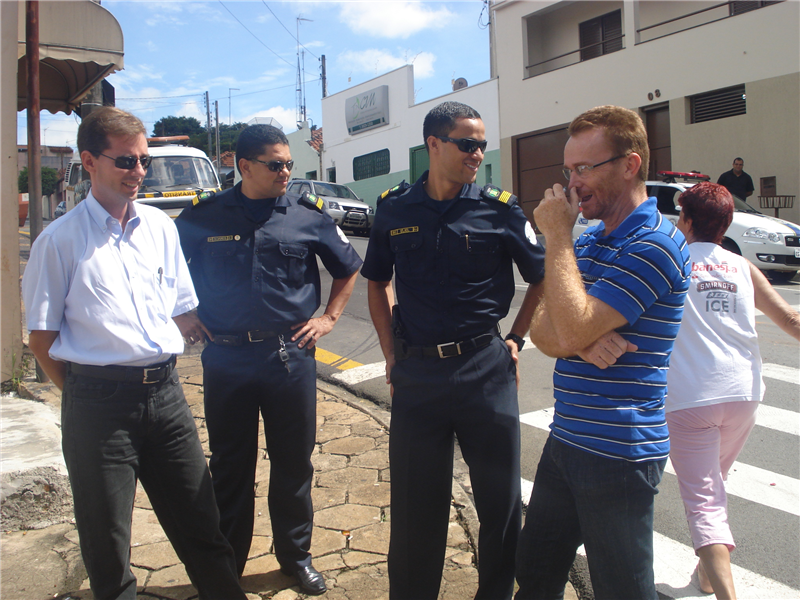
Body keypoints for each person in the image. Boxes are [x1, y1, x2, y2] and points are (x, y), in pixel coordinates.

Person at [21, 107, 245, 600]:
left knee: (202, 526)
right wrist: (86, 391)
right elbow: (41, 339)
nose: (139, 172)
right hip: (99, 405)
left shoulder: (160, 229)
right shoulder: (58, 242)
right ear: (90, 161)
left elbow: (182, 309)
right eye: (125, 161)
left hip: (166, 398)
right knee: (108, 547)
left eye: (144, 161)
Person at [361, 101, 546, 600]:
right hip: (418, 374)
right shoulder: (395, 208)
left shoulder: (499, 208)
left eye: (482, 143)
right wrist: (391, 355)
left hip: (485, 368)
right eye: (467, 143)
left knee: (500, 504)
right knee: (415, 508)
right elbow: (376, 283)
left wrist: (516, 339)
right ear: (434, 145)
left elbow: (541, 277)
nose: (478, 152)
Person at [174, 124, 362, 595]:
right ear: (244, 166)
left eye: (288, 164)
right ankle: (228, 565)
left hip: (289, 357)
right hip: (227, 358)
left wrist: (329, 318)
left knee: (293, 464)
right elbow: (164, 269)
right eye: (275, 164)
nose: (285, 172)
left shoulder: (307, 215)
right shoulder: (205, 216)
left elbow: (349, 268)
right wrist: (184, 316)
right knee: (231, 466)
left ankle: (295, 558)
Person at [515, 105, 691, 600]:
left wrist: (556, 237)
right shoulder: (588, 243)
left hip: (618, 453)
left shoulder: (655, 244)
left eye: (584, 169)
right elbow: (546, 336)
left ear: (630, 165)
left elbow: (563, 329)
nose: (572, 183)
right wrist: (582, 338)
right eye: (568, 170)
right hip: (566, 439)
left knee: (622, 591)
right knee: (534, 573)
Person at [666, 182, 800, 600]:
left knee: (703, 500)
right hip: (744, 393)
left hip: (690, 397)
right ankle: (706, 577)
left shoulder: (673, 260)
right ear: (726, 224)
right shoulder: (741, 266)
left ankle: (726, 593)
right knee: (713, 486)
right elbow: (792, 321)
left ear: (685, 219)